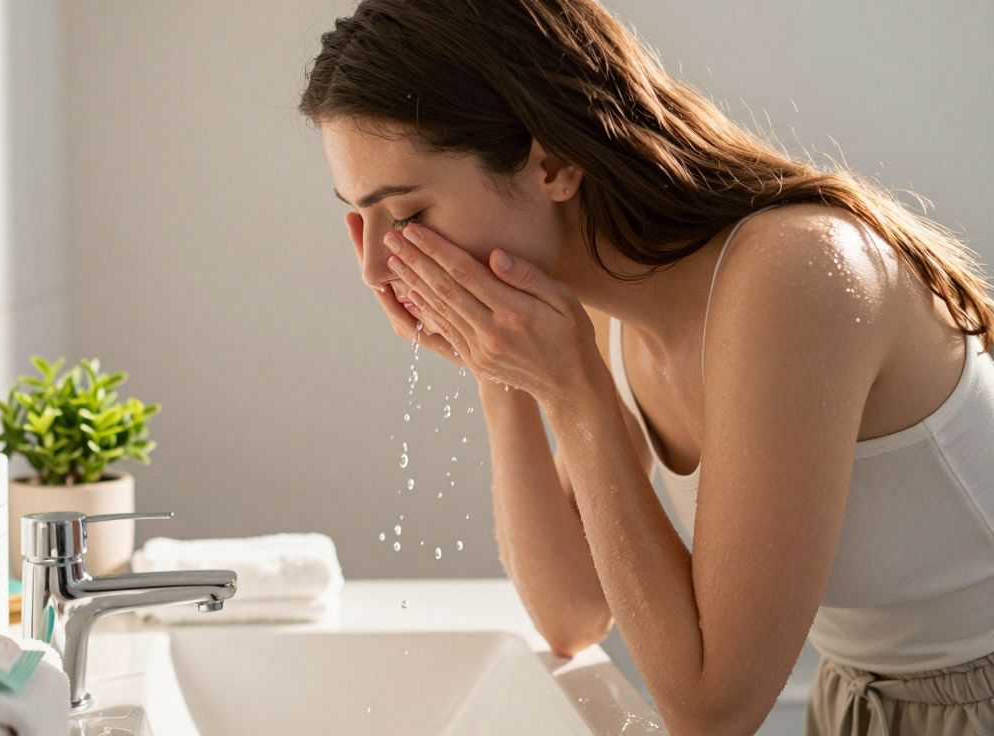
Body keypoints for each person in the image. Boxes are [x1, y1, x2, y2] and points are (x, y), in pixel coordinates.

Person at [298, 1, 994, 734]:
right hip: (864, 705)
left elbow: (713, 711)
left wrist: (576, 396)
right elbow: (571, 613)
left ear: (554, 164)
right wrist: (498, 372)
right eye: (357, 217)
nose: (376, 266)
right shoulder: (607, 307)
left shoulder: (795, 273)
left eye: (405, 214)